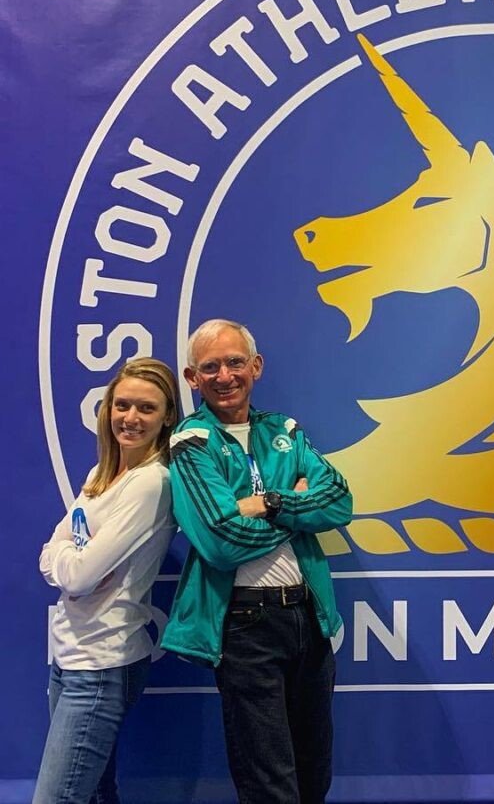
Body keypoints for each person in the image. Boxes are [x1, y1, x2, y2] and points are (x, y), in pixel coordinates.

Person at [161, 319, 352, 804]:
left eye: (235, 362)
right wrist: (296, 508)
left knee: (314, 774)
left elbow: (339, 501)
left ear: (256, 366)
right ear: (192, 378)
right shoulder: (191, 442)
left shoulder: (284, 429)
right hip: (246, 624)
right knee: (270, 783)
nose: (225, 376)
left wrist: (268, 503)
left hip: (309, 616)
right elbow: (221, 540)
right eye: (210, 367)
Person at [34, 358, 180, 804]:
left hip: (101, 665)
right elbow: (51, 553)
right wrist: (66, 560)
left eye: (146, 408)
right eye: (122, 405)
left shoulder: (151, 483)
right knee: (97, 794)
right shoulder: (100, 476)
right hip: (68, 656)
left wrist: (66, 560)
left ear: (167, 418)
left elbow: (77, 576)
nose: (130, 418)